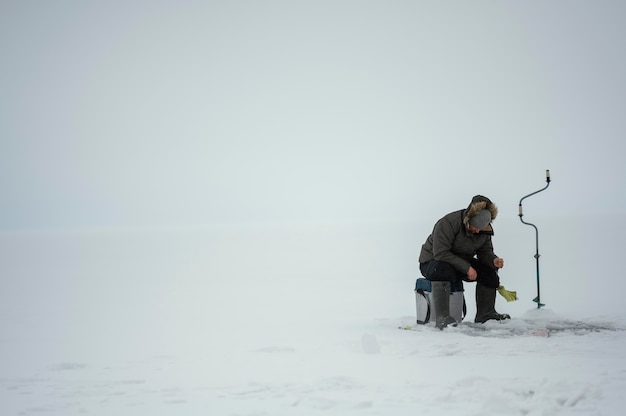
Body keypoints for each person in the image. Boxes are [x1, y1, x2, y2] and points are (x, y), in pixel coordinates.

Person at [419, 195, 511, 329]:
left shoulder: (484, 231)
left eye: (481, 228)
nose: (477, 231)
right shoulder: (448, 222)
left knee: (489, 273)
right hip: (432, 262)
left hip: (460, 263)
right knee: (444, 270)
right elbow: (440, 253)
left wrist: (493, 260)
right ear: (469, 220)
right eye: (475, 227)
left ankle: (486, 315)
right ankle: (443, 318)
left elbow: (485, 251)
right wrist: (467, 268)